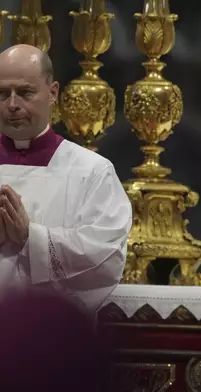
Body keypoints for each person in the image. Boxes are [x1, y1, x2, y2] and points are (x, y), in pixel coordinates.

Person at [0, 44, 131, 310]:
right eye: (2, 94)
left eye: (25, 92)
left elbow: (105, 255)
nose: (12, 105)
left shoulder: (91, 171)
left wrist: (31, 238)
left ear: (52, 93)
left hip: (47, 334)